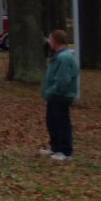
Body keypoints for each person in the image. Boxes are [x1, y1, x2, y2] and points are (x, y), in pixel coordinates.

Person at [40, 29, 79, 160]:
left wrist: (50, 91)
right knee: (52, 122)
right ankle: (55, 147)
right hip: (54, 96)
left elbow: (63, 81)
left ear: (55, 41)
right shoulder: (58, 56)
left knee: (62, 123)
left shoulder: (64, 58)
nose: (49, 42)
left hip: (61, 96)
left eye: (50, 39)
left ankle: (66, 151)